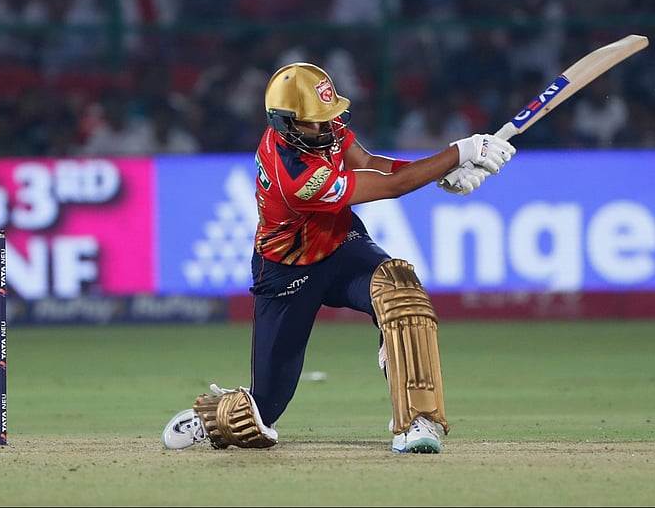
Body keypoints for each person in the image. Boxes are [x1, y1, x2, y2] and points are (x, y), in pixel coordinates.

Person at [160, 62, 515, 454]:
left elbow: (370, 163)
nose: (327, 127)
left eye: (330, 117)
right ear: (285, 123)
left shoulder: (320, 129)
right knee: (259, 417)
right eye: (315, 121)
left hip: (341, 245)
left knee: (401, 293)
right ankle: (214, 418)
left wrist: (443, 170)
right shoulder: (295, 176)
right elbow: (392, 186)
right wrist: (461, 151)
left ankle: (417, 422)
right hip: (287, 272)